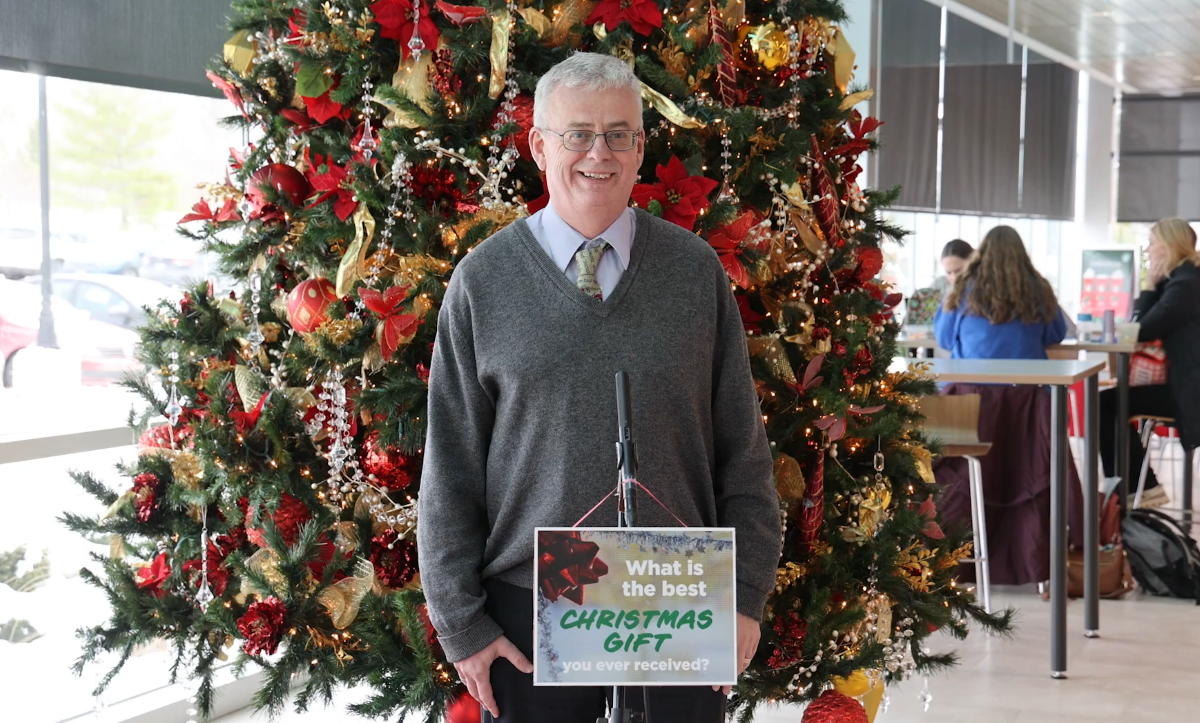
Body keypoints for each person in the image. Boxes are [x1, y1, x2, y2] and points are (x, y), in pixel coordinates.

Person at [417, 53, 781, 723]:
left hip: (679, 608)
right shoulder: (483, 283)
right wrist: (463, 626)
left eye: (619, 133)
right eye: (577, 133)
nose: (599, 152)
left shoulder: (696, 275)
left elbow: (744, 456)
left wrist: (746, 595)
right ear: (538, 146)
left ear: (641, 148)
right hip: (529, 614)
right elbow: (449, 474)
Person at [932, 226, 1084, 585]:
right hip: (1027, 404)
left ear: (981, 255)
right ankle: (1035, 567)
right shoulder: (1038, 289)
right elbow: (1057, 334)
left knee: (959, 471)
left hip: (970, 406)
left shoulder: (963, 289)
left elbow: (942, 338)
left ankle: (951, 563)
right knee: (1034, 470)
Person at [1099, 218, 1200, 509]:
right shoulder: (1180, 281)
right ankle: (1133, 490)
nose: (1148, 249)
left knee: (1108, 404)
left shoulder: (1186, 285)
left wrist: (1147, 286)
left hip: (1187, 393)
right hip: (1181, 384)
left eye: (1153, 243)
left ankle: (1137, 490)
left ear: (1169, 247)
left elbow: (1139, 330)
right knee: (1110, 403)